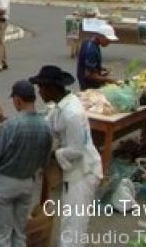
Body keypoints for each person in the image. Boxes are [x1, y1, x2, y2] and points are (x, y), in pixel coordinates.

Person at [29, 65, 102, 247]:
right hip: (74, 172)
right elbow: (48, 124)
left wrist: (54, 153)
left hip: (83, 172)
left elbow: (76, 150)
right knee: (69, 222)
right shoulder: (60, 107)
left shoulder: (72, 114)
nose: (39, 93)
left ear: (53, 88)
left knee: (74, 225)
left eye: (42, 88)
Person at [0, 80, 52, 247]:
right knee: (19, 232)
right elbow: (44, 160)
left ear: (18, 100)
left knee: (0, 235)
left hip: (5, 183)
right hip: (27, 182)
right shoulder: (46, 126)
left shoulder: (10, 126)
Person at [76, 24, 118, 90]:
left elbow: (87, 62)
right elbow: (89, 75)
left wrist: (100, 68)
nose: (109, 42)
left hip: (82, 76)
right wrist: (108, 79)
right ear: (100, 36)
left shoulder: (88, 41)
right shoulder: (92, 51)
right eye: (107, 40)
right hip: (88, 84)